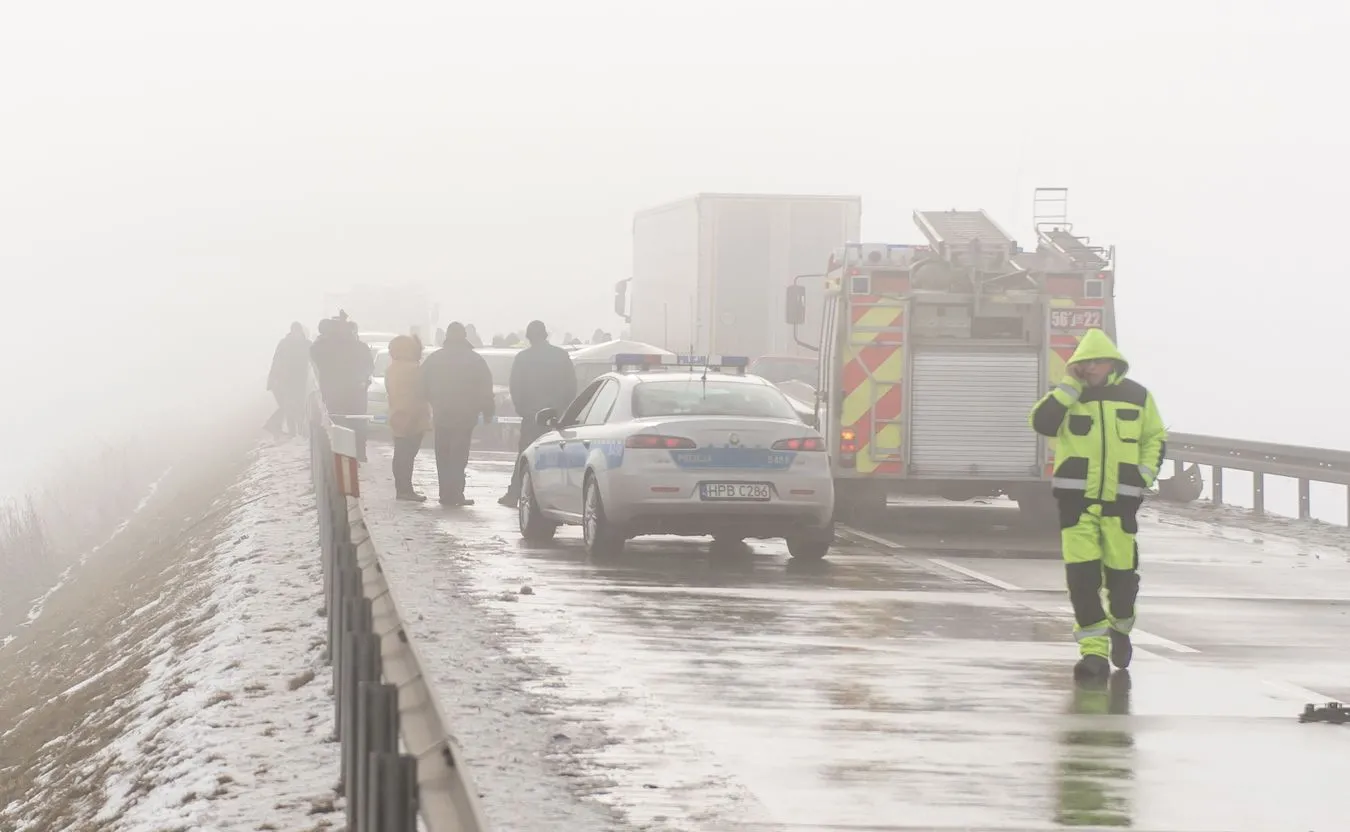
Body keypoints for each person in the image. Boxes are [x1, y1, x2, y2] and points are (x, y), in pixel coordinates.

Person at [1029, 329, 1166, 685]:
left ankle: (1121, 629)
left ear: (1111, 363)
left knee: (1122, 582)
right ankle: (1093, 652)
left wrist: (1143, 476)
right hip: (1077, 505)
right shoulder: (1067, 396)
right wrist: (1069, 389)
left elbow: (1154, 438)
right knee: (1082, 581)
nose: (1090, 368)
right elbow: (1042, 423)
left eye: (1095, 362)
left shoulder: (1137, 396)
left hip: (1121, 505)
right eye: (1083, 363)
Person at [499, 320, 576, 506]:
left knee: (525, 455)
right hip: (556, 417)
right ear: (545, 335)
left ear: (529, 337)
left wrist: (523, 410)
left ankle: (515, 494)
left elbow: (515, 387)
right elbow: (571, 385)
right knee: (556, 457)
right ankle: (556, 496)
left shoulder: (523, 358)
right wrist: (563, 410)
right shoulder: (561, 356)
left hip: (532, 416)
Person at [422, 322, 494, 506]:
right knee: (458, 456)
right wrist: (487, 411)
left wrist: (432, 402)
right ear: (464, 337)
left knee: (443, 455)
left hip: (442, 414)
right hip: (465, 416)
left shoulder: (434, 359)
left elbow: (421, 385)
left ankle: (445, 494)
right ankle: (456, 494)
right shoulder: (475, 360)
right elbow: (485, 388)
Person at [311, 313, 375, 460]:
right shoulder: (360, 346)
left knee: (340, 424)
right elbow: (369, 366)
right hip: (356, 391)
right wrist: (362, 380)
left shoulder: (325, 347)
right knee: (357, 422)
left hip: (335, 392)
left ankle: (347, 457)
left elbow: (315, 355)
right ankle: (359, 454)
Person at [384, 334, 431, 502]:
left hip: (397, 414)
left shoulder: (392, 368)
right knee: (407, 455)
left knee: (401, 454)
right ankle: (405, 489)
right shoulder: (414, 369)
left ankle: (402, 488)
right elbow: (423, 391)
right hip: (413, 416)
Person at [265, 322, 311, 438]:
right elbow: (277, 360)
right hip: (286, 379)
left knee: (299, 405)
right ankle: (293, 431)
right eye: (294, 331)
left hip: (301, 379)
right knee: (289, 405)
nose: (296, 334)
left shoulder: (307, 344)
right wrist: (273, 378)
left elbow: (313, 360)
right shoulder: (284, 344)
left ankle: (298, 430)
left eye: (298, 331)